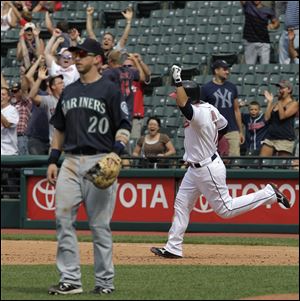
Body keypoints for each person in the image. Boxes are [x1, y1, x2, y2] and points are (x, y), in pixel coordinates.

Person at [150, 65, 291, 259]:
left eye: (178, 95)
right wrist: (210, 141)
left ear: (189, 97)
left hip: (207, 168)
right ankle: (173, 247)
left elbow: (184, 104)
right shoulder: (209, 108)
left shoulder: (198, 113)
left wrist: (178, 80)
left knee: (226, 209)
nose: (176, 99)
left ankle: (268, 194)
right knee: (181, 204)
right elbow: (223, 127)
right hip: (196, 168)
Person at [47, 38, 131, 295]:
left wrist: (116, 152)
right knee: (63, 219)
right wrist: (52, 160)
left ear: (97, 59)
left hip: (100, 159)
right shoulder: (69, 91)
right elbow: (59, 128)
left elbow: (124, 126)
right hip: (70, 162)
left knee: (99, 225)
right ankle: (70, 280)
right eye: (75, 54)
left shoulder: (110, 90)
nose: (77, 57)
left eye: (82, 54)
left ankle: (105, 282)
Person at [200, 60, 245, 157]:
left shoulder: (232, 87)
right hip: (214, 131)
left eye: (227, 69)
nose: (227, 72)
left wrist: (240, 131)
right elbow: (201, 110)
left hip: (232, 130)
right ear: (216, 71)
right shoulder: (206, 88)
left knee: (234, 161)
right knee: (215, 160)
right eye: (224, 69)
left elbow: (236, 110)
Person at [260, 80, 299, 157]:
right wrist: (270, 102)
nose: (280, 90)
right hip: (271, 137)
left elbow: (282, 116)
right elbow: (266, 118)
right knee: (262, 161)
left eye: (282, 88)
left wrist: (280, 101)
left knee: (282, 165)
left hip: (285, 138)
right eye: (279, 88)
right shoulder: (276, 103)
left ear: (289, 90)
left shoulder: (293, 103)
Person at [28, 66, 64, 143]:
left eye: (63, 82)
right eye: (60, 83)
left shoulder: (69, 98)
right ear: (53, 86)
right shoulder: (49, 100)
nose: (63, 84)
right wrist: (40, 79)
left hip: (69, 144)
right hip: (54, 144)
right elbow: (32, 96)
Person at [122, 53, 151, 140]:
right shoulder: (120, 79)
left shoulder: (138, 79)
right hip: (122, 117)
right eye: (124, 66)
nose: (127, 68)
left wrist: (138, 61)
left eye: (130, 66)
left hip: (135, 117)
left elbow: (148, 74)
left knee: (134, 142)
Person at [10, 82, 32, 155]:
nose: (13, 93)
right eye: (12, 91)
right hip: (11, 137)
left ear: (20, 91)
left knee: (23, 161)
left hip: (21, 137)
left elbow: (24, 90)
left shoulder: (25, 102)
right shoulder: (11, 104)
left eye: (16, 91)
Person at [1, 87, 19, 155]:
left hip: (9, 152)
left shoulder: (12, 110)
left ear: (8, 97)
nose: (1, 96)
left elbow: (7, 125)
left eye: (3, 94)